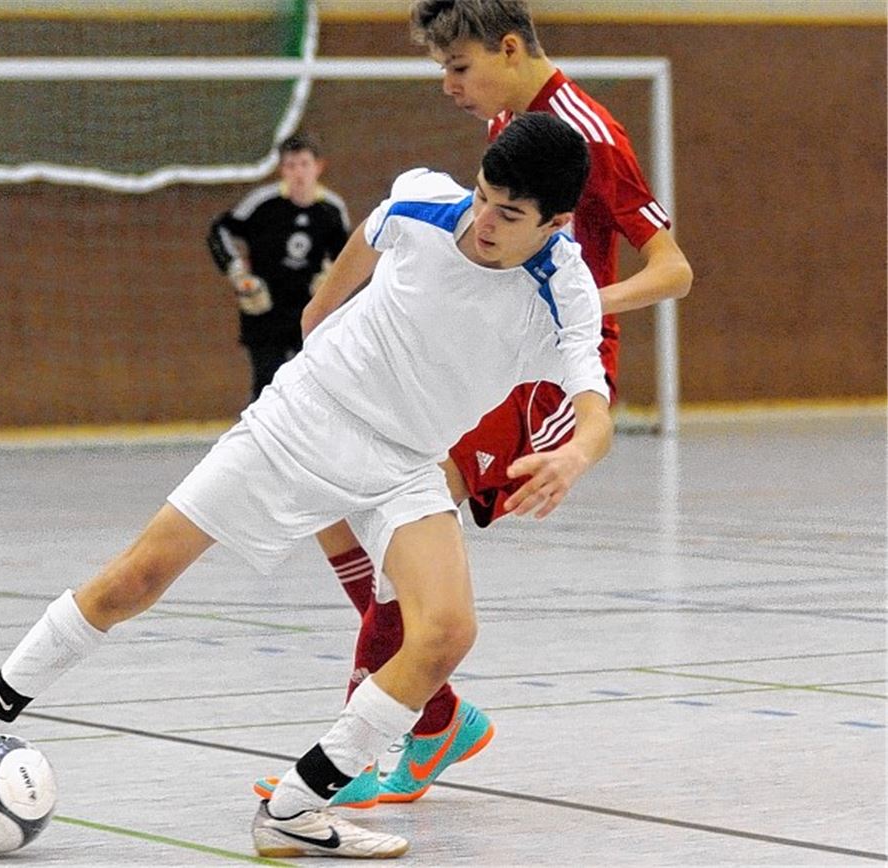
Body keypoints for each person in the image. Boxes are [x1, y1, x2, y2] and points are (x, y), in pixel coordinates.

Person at [0, 113, 612, 859]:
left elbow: (595, 407)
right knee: (136, 577)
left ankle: (295, 808)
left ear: (553, 222)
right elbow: (373, 235)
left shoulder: (563, 291)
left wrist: (575, 457)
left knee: (448, 631)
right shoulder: (426, 202)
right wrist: (320, 311)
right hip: (304, 415)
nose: (481, 220)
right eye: (483, 195)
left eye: (507, 215)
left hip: (404, 462)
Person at [255, 0, 694, 809]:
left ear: (509, 46)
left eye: (458, 68)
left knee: (396, 507)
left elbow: (673, 269)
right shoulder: (510, 119)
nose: (449, 86)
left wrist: (580, 313)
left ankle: (364, 752)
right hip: (481, 357)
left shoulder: (587, 132)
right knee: (334, 499)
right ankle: (440, 713)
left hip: (543, 382)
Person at [207, 132, 351, 403]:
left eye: (304, 164)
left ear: (318, 167)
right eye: (291, 165)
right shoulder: (263, 204)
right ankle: (260, 443)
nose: (298, 173)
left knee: (311, 384)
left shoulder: (331, 210)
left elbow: (345, 255)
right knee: (266, 385)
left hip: (309, 311)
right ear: (281, 169)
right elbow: (220, 230)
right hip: (264, 308)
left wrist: (329, 280)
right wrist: (238, 274)